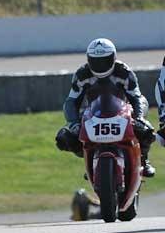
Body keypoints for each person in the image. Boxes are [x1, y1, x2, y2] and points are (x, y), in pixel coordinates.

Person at [55, 38, 156, 177]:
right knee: (64, 138)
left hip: (122, 112)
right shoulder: (82, 74)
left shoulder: (124, 72)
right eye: (95, 61)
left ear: (113, 58)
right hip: (92, 114)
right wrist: (73, 123)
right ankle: (90, 161)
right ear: (89, 59)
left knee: (146, 130)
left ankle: (144, 160)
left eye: (104, 60)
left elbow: (136, 97)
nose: (100, 65)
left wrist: (139, 117)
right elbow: (71, 101)